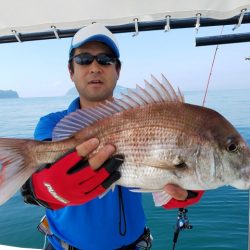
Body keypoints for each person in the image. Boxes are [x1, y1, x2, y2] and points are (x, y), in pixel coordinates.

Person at [21, 23, 204, 250]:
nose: (95, 67)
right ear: (71, 70)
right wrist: (43, 187)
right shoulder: (52, 124)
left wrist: (187, 186)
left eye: (105, 59)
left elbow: (162, 186)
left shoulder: (145, 118)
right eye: (84, 59)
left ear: (118, 70)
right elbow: (41, 176)